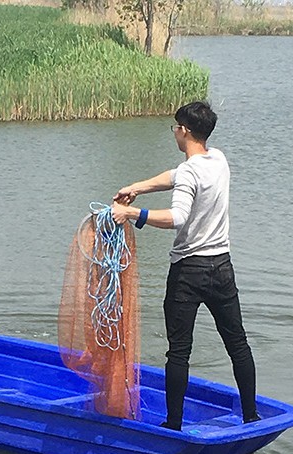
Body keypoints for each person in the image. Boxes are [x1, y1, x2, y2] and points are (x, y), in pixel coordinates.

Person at [111, 101, 258, 431]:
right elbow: (174, 177)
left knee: (178, 351)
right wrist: (136, 187)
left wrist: (132, 213)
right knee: (238, 344)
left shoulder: (192, 172)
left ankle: (173, 425)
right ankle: (251, 415)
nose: (174, 132)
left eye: (175, 127)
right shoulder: (217, 160)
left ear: (185, 131)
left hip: (189, 273)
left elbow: (177, 217)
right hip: (222, 268)